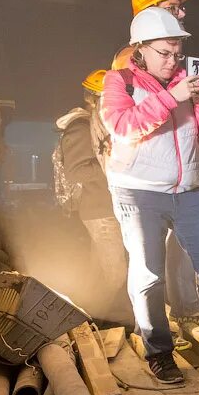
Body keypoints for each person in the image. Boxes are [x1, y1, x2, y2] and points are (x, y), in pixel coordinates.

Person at [102, 7, 199, 384]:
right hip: (138, 192)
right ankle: (159, 351)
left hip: (188, 191)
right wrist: (172, 97)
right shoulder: (119, 81)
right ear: (141, 49)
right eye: (164, 53)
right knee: (149, 274)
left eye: (177, 54)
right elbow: (123, 126)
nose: (172, 61)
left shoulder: (186, 81)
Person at [111, 0, 199, 320]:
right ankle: (151, 328)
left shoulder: (177, 60)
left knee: (179, 250)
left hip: (177, 175)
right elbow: (128, 123)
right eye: (173, 7)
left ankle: (184, 310)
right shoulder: (128, 62)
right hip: (143, 179)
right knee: (147, 262)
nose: (182, 12)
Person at [54, 70, 133, 325]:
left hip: (106, 208)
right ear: (93, 98)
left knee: (99, 269)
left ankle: (86, 315)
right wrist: (112, 166)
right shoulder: (80, 127)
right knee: (115, 272)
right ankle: (99, 321)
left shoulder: (99, 124)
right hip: (99, 211)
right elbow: (75, 170)